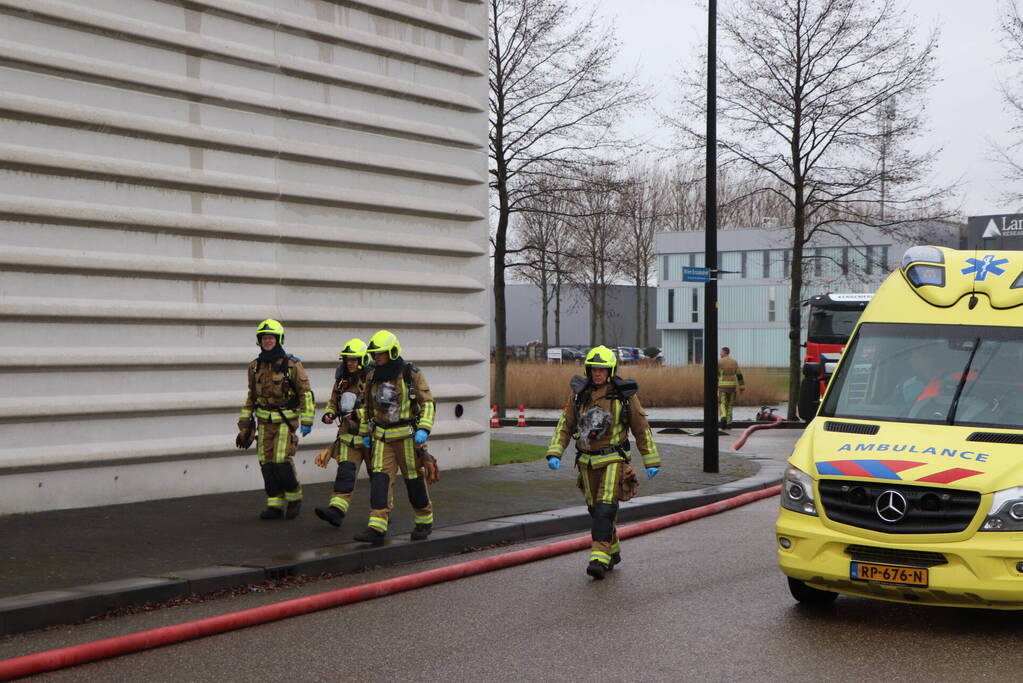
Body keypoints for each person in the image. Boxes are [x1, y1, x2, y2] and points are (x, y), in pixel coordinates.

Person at [545, 344, 662, 580]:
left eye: (602, 369)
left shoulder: (624, 396)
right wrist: (555, 452)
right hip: (586, 462)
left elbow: (641, 428)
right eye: (594, 369)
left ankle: (598, 557)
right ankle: (613, 549)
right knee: (594, 509)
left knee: (605, 507)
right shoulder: (578, 394)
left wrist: (651, 460)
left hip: (613, 459)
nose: (597, 374)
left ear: (610, 370)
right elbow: (565, 424)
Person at [353, 330, 437, 544]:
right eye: (374, 354)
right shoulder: (372, 376)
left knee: (413, 480)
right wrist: (365, 434)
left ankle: (424, 520)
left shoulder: (410, 373)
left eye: (380, 354)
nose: (377, 358)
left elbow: (427, 403)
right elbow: (366, 408)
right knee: (380, 480)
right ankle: (377, 527)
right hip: (381, 437)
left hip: (408, 438)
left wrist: (424, 429)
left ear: (392, 352)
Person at [236, 319, 315, 520]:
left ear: (278, 339)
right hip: (263, 423)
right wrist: (245, 426)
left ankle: (294, 498)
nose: (268, 341)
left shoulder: (292, 365)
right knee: (266, 462)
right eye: (264, 338)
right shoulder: (254, 367)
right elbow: (251, 397)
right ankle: (275, 504)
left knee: (281, 461)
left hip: (285, 422)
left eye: (271, 338)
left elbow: (305, 393)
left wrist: (307, 420)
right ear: (259, 341)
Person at [313, 338, 371, 528]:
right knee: (345, 473)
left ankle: (383, 513)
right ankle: (336, 511)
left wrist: (358, 413)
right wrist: (329, 413)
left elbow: (379, 408)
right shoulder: (342, 380)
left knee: (379, 479)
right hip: (348, 436)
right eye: (347, 359)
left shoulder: (374, 379)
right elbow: (333, 401)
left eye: (354, 359)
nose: (350, 363)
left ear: (362, 359)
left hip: (371, 438)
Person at [718, 347, 745, 430]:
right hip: (732, 387)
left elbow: (716, 375)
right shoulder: (734, 362)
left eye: (721, 352)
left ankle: (723, 417)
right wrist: (741, 387)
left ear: (725, 352)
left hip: (722, 387)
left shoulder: (719, 362)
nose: (720, 353)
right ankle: (729, 424)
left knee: (722, 403)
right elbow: (739, 375)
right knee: (730, 405)